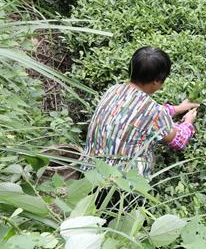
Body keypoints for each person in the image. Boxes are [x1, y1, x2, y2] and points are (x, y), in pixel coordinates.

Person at [83, 47, 199, 177]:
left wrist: (176, 109)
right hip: (119, 182)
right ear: (157, 81)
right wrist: (188, 122)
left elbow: (136, 113)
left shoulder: (114, 90)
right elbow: (178, 140)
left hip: (90, 171)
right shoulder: (154, 112)